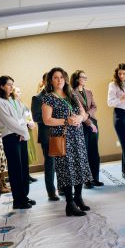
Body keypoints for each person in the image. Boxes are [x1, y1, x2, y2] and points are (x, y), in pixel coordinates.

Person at [40, 67, 94, 217]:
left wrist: (80, 118)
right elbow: (47, 120)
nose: (59, 80)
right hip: (62, 137)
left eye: (62, 77)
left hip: (77, 136)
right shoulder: (48, 98)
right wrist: (66, 121)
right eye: (56, 77)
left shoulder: (72, 94)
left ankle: (78, 198)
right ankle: (70, 204)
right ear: (51, 81)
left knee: (80, 166)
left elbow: (83, 113)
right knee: (67, 169)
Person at [0, 75, 34, 209]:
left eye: (12, 84)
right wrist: (23, 131)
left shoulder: (13, 100)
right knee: (16, 169)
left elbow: (22, 117)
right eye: (8, 84)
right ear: (1, 86)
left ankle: (24, 196)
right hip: (10, 137)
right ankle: (18, 200)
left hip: (21, 136)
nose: (11, 87)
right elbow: (9, 121)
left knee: (23, 168)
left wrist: (23, 132)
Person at [69, 71, 103, 188]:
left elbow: (94, 106)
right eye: (83, 77)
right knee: (85, 152)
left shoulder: (88, 91)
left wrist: (87, 114)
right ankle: (87, 181)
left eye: (85, 77)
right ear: (76, 79)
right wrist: (85, 117)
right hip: (81, 125)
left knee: (94, 152)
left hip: (92, 122)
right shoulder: (71, 93)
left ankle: (95, 179)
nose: (85, 79)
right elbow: (76, 110)